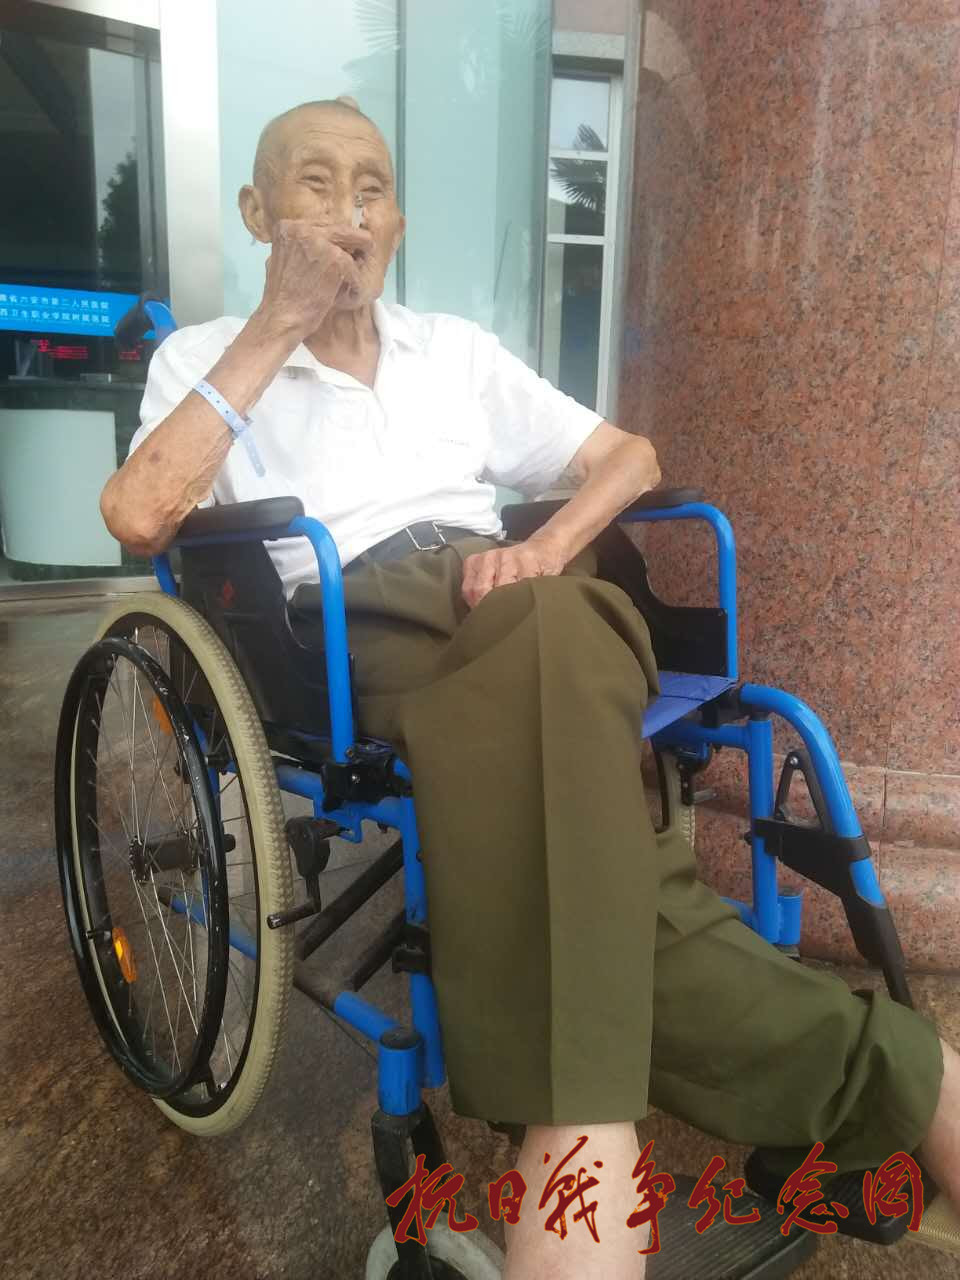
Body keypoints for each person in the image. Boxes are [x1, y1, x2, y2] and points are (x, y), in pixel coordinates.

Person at [100, 99, 960, 1279]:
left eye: (371, 187)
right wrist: (279, 322)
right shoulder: (203, 358)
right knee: (611, 865)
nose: (350, 212)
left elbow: (630, 457)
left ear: (398, 221)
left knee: (558, 617)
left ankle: (577, 1140)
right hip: (356, 624)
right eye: (315, 184)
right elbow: (141, 514)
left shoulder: (451, 349)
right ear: (258, 212)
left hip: (524, 588)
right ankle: (918, 1083)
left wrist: (549, 545)